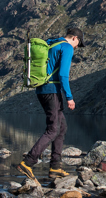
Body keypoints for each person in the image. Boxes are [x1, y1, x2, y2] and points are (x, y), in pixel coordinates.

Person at [17, 27, 85, 181]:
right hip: (52, 90)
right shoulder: (67, 47)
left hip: (42, 90)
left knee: (62, 127)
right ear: (75, 38)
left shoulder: (52, 44)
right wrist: (69, 97)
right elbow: (63, 74)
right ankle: (27, 162)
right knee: (53, 129)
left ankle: (55, 167)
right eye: (78, 44)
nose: (77, 47)